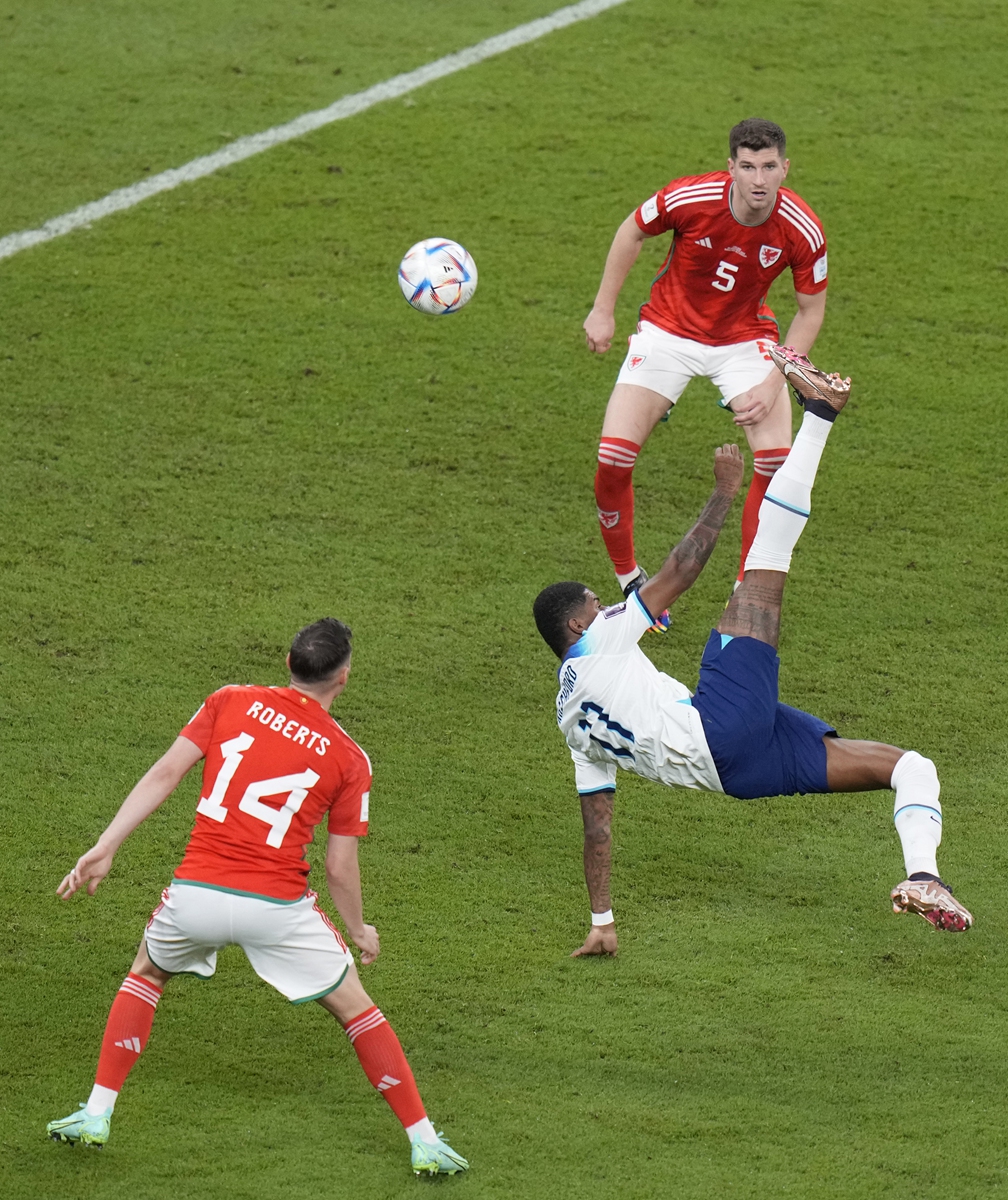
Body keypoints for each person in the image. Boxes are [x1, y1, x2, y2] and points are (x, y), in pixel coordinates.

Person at [534, 347, 972, 956]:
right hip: (720, 724)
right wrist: (723, 492)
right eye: (594, 600)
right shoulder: (600, 638)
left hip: (734, 774)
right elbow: (680, 571)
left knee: (909, 768)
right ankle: (820, 412)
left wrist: (602, 918)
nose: (604, 603)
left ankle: (924, 877)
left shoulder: (571, 727)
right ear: (579, 620)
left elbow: (597, 828)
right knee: (766, 558)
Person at [46, 617, 468, 1177]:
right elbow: (339, 867)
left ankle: (96, 1114)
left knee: (146, 975)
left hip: (194, 894)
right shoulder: (349, 759)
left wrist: (105, 846)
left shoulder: (229, 701)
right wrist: (359, 929)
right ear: (343, 677)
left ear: (288, 663)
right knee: (356, 1010)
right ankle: (423, 1142)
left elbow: (166, 772)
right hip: (276, 909)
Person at [584, 117, 829, 627]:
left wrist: (774, 378)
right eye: (747, 166)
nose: (758, 179)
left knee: (776, 463)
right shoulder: (691, 198)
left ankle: (745, 589)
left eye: (768, 167)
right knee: (612, 460)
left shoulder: (802, 228)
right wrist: (603, 309)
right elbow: (632, 229)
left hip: (745, 341)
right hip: (667, 332)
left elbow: (810, 311)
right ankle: (631, 580)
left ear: (785, 168)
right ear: (731, 168)